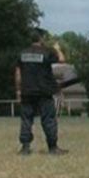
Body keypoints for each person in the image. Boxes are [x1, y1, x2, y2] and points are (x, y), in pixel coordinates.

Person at [15, 28, 68, 156]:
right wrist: (57, 48)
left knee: (26, 120)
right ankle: (53, 148)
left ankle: (25, 148)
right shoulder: (47, 52)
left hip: (27, 91)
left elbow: (18, 74)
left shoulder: (22, 53)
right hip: (44, 92)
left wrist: (18, 90)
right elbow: (62, 59)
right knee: (48, 120)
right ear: (41, 38)